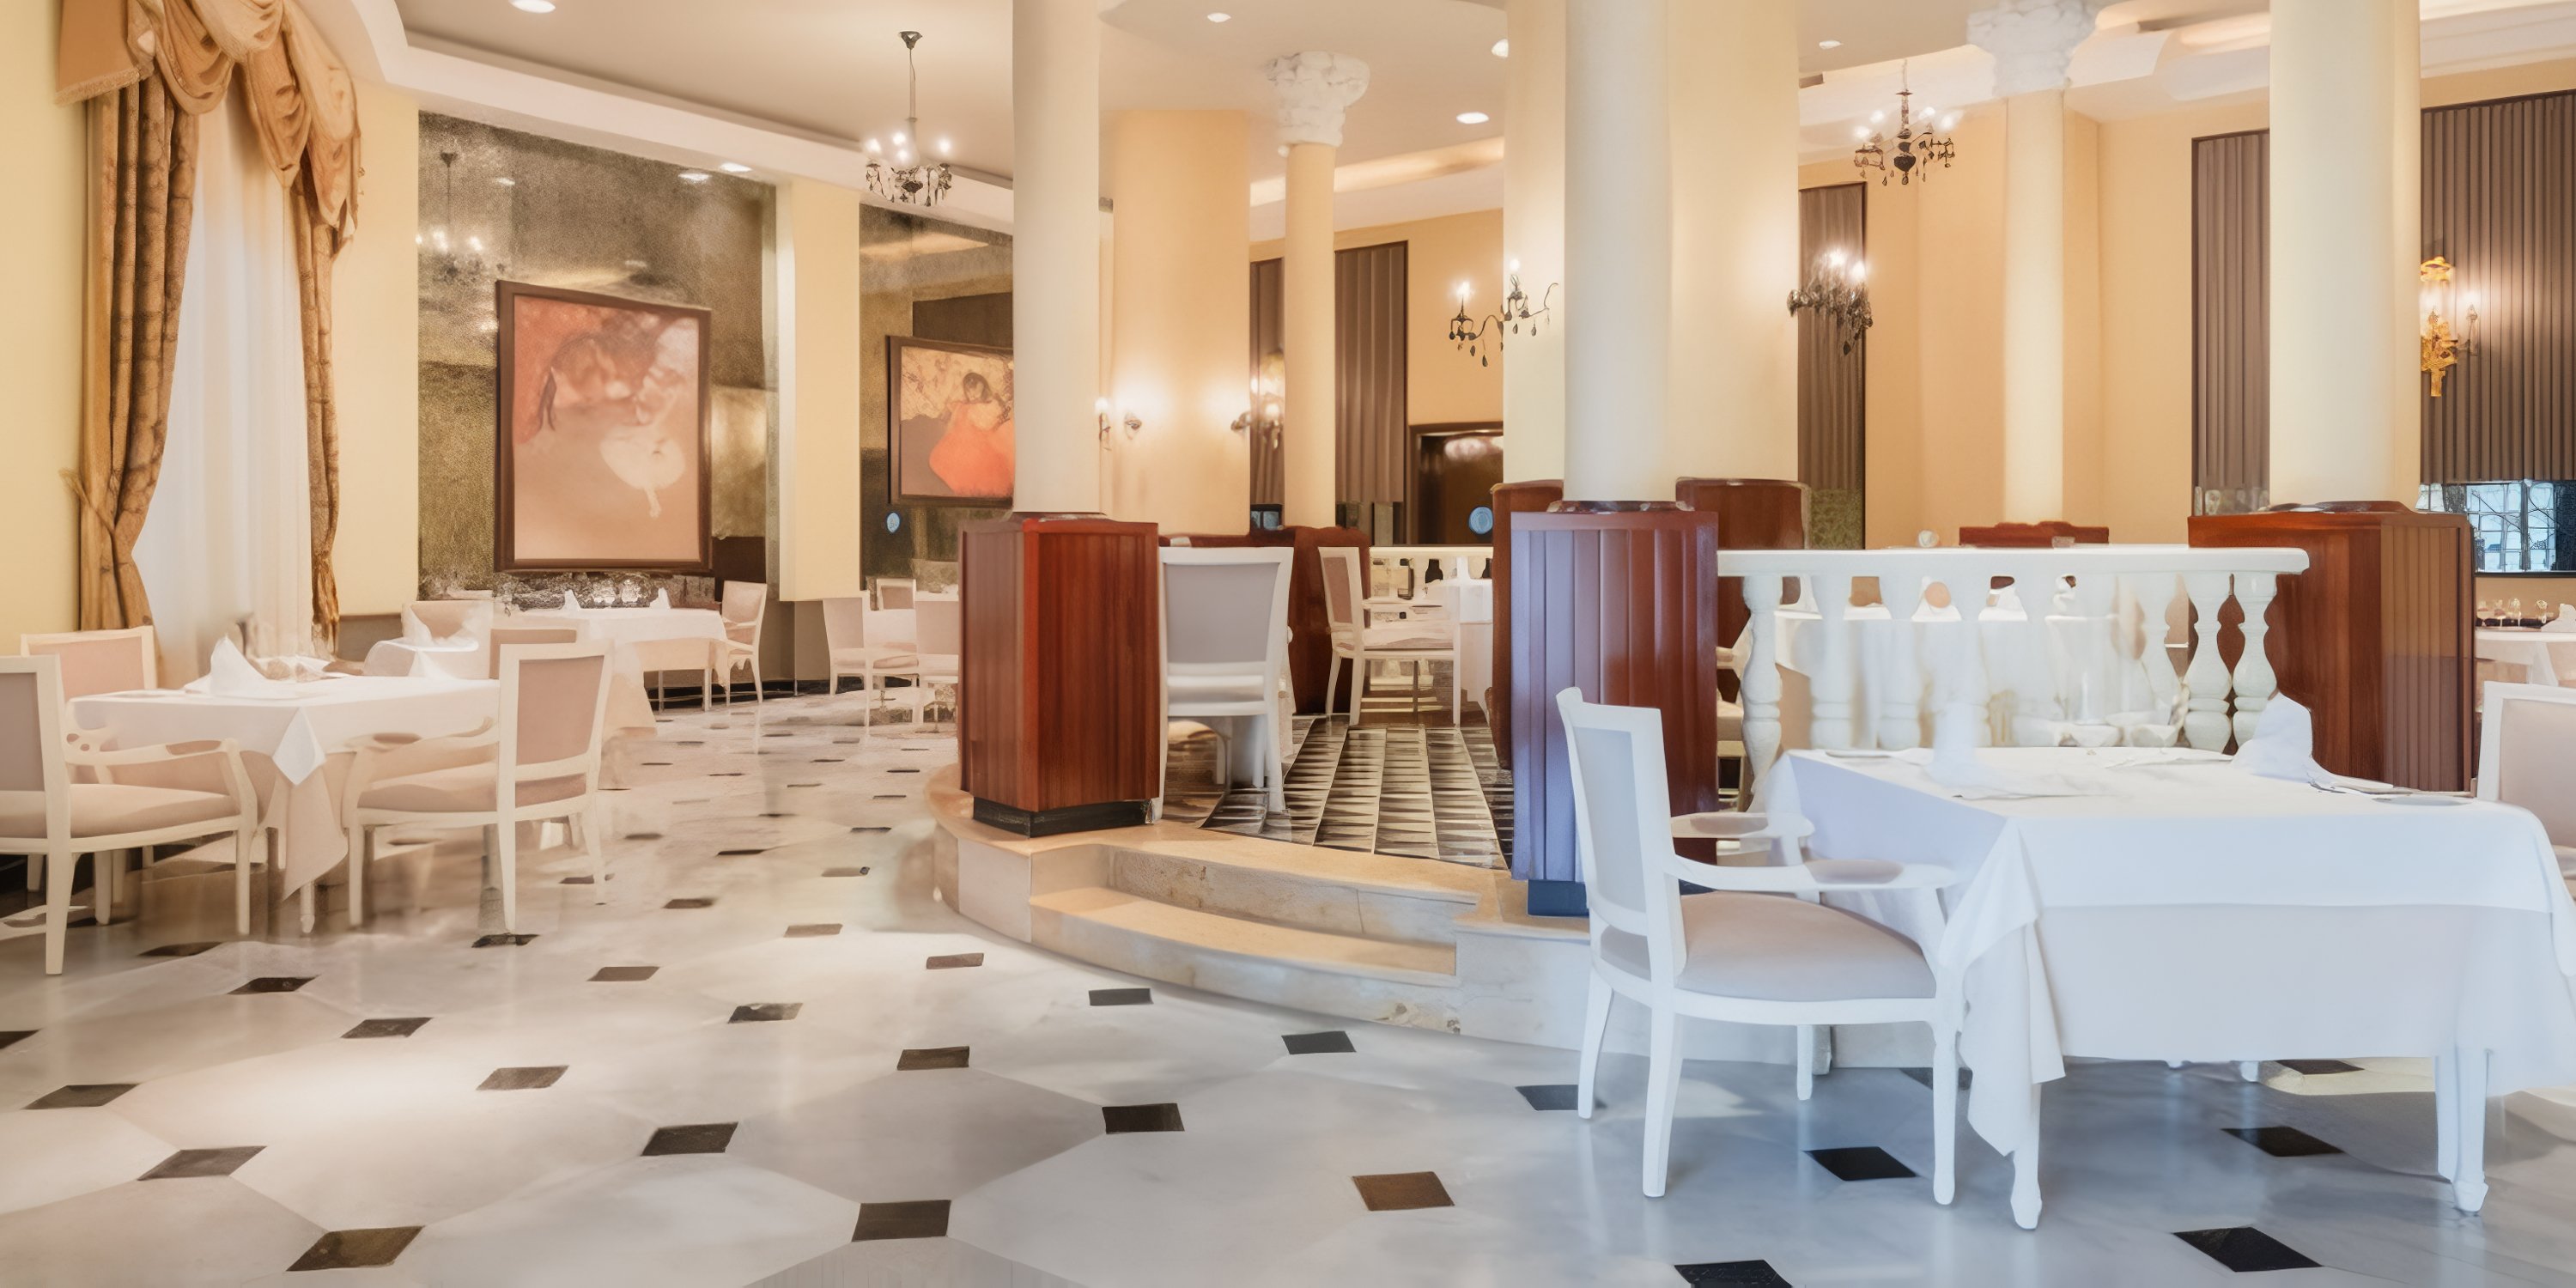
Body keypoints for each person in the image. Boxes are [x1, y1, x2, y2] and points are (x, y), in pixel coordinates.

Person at [927, 369, 1013, 498]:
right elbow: (953, 420)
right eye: (969, 391)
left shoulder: (985, 405)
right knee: (949, 460)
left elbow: (987, 425)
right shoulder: (963, 405)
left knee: (979, 470)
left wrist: (998, 413)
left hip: (977, 441)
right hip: (960, 439)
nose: (973, 395)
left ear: (983, 388)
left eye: (976, 391)